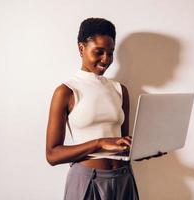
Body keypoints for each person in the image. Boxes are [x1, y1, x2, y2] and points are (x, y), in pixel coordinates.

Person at [46, 17, 138, 200]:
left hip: (124, 178)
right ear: (81, 48)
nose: (106, 59)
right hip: (88, 182)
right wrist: (99, 143)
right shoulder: (66, 91)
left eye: (110, 53)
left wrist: (144, 149)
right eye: (99, 52)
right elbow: (52, 155)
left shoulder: (120, 90)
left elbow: (122, 143)